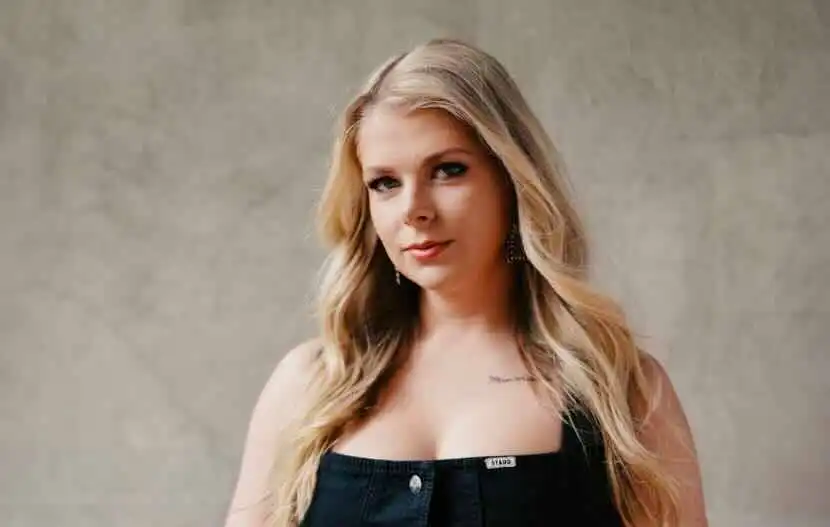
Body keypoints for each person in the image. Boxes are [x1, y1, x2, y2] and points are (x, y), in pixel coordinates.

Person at [224, 38, 707, 527]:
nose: (414, 209)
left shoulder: (623, 393)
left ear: (512, 180)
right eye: (385, 183)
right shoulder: (309, 385)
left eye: (448, 170)